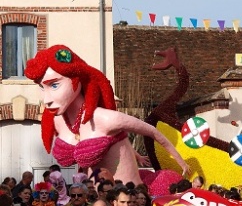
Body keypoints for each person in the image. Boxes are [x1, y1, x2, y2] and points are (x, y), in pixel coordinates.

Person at [24, 44, 190, 185]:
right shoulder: (59, 120)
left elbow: (153, 132)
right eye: (41, 87)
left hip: (127, 199)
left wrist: (182, 163)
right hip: (96, 204)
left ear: (78, 79)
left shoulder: (107, 119)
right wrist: (135, 154)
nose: (46, 100)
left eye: (54, 86)